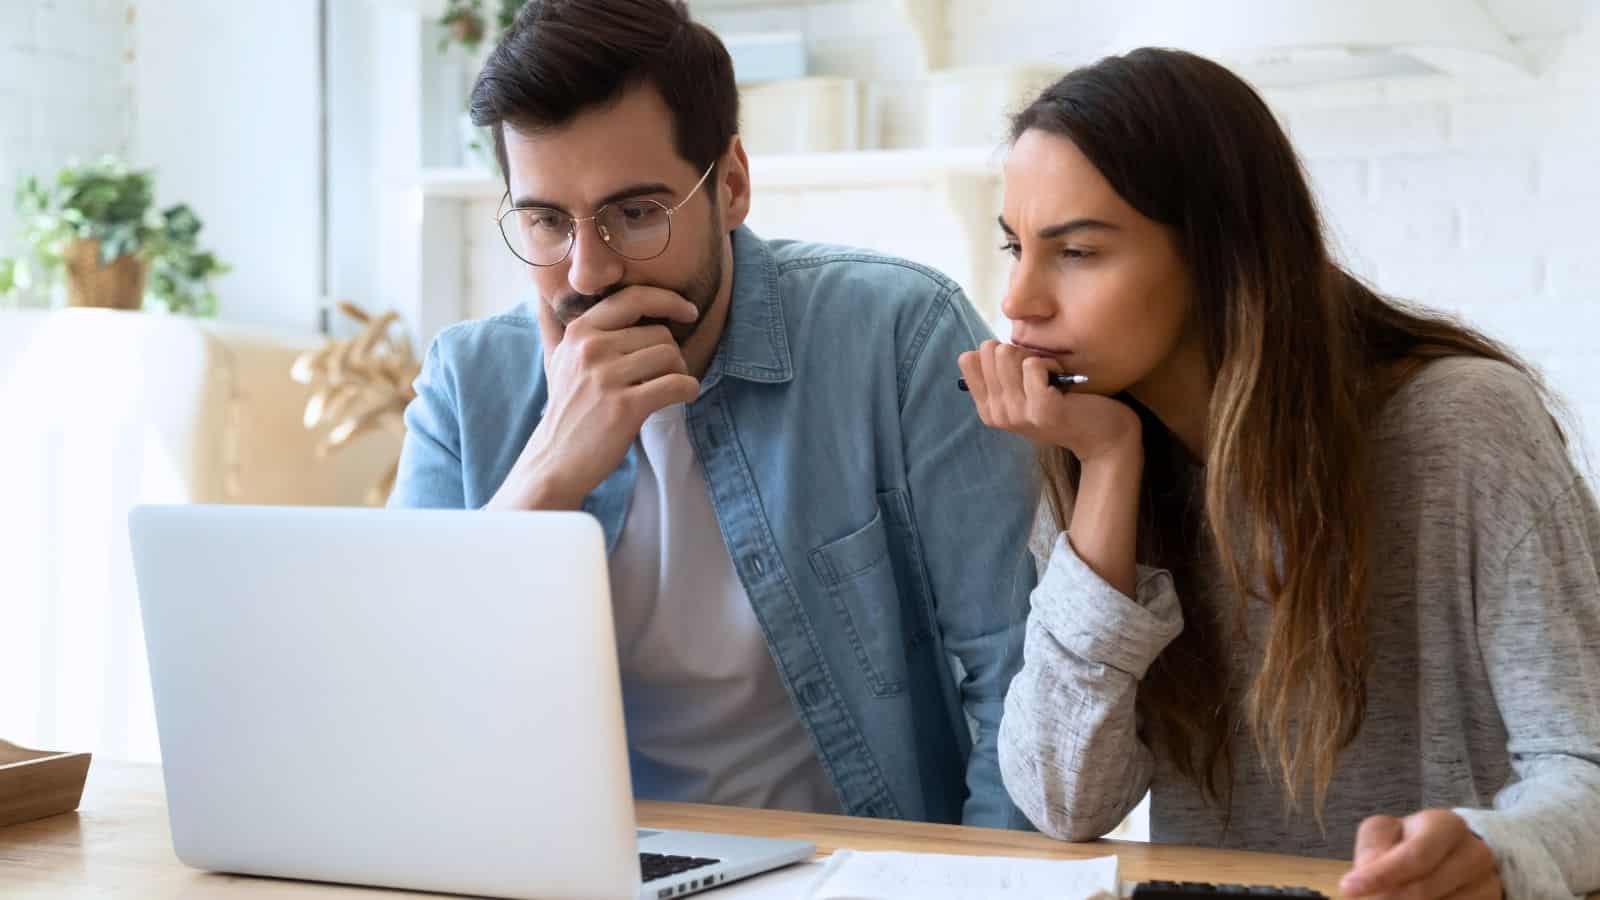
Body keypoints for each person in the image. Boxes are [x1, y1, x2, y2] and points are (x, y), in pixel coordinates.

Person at [959, 48, 1600, 897]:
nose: (1020, 300)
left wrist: (1497, 851)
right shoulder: (1096, 446)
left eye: (1075, 252)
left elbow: (1586, 760)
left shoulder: (1463, 424)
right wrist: (1108, 467)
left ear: (1219, 253)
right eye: (1014, 247)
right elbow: (1065, 801)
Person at [388, 0, 1041, 828]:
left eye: (635, 214)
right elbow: (407, 706)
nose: (588, 270)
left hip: (855, 873)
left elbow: (1018, 685)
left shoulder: (901, 335)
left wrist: (970, 890)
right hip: (575, 869)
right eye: (547, 221)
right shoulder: (465, 382)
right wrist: (548, 473)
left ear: (730, 184)